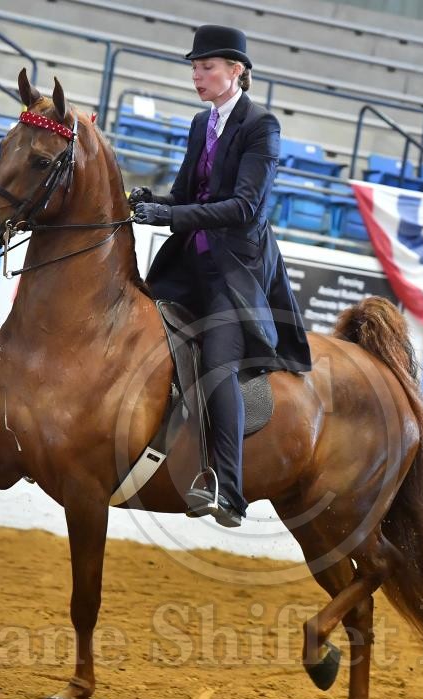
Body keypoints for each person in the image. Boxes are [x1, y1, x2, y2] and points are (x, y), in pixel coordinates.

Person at [132, 24, 312, 528]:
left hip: (235, 276)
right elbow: (188, 194)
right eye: (194, 67)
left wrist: (170, 217)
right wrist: (153, 202)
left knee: (217, 365)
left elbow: (243, 207)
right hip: (189, 266)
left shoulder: (262, 126)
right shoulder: (200, 123)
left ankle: (226, 488)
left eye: (206, 67)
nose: (197, 75)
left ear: (236, 71)